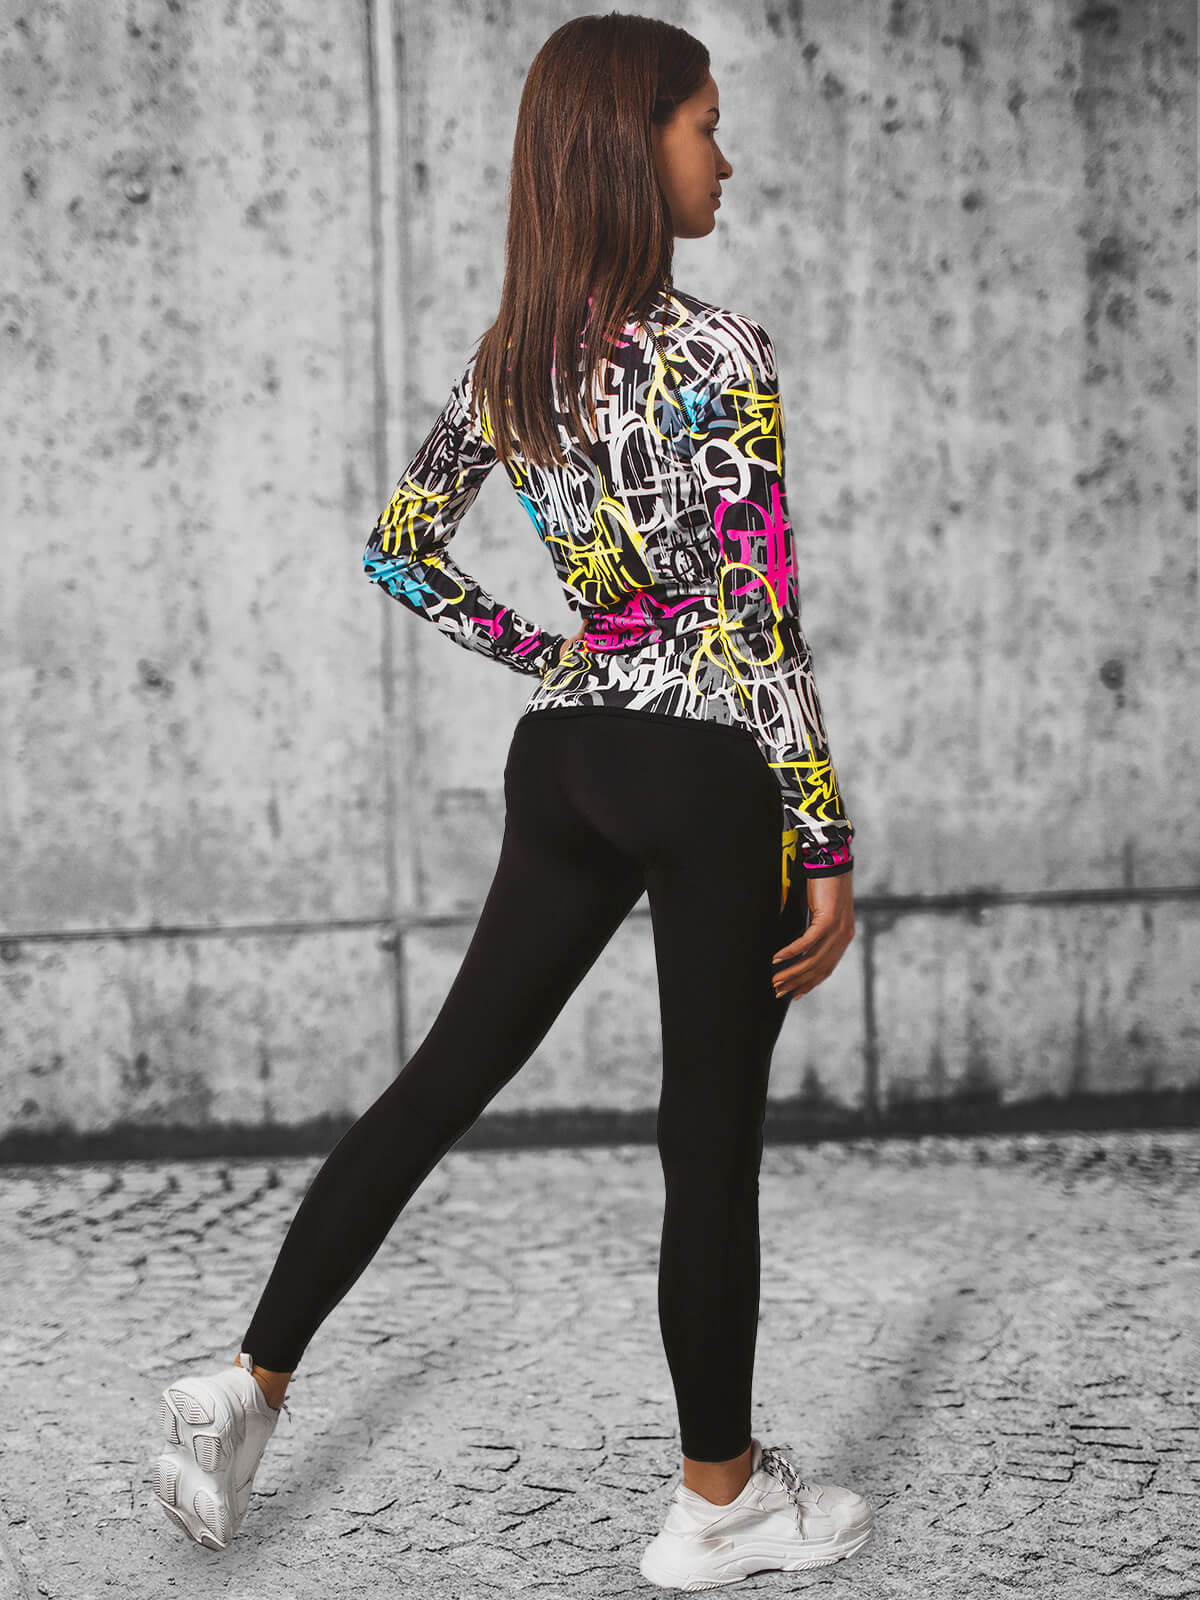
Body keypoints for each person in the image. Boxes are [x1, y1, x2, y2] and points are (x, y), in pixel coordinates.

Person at [152, 12, 872, 1588]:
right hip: (701, 763)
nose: (725, 157)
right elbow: (759, 621)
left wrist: (558, 655)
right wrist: (822, 839)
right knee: (708, 1141)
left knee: (442, 1078)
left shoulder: (513, 360)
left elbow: (400, 549)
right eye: (704, 125)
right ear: (634, 142)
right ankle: (718, 1503)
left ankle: (250, 1383)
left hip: (564, 758)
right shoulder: (718, 353)